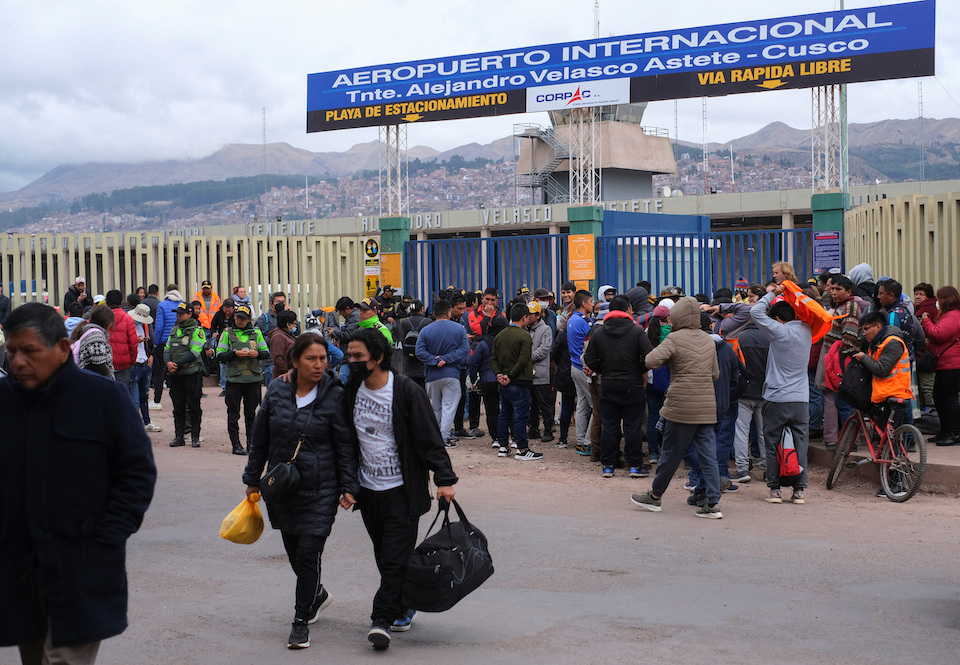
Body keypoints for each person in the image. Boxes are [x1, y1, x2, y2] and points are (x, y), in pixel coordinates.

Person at [1, 303, 156, 665]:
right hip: (20, 567)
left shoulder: (104, 398)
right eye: (11, 352)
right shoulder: (4, 402)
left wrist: (107, 534)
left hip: (82, 565)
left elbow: (136, 473)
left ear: (60, 348)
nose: (18, 362)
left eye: (29, 351)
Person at [341, 328, 457, 650]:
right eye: (348, 355)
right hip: (368, 491)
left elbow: (429, 438)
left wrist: (444, 478)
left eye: (357, 357)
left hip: (401, 491)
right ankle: (405, 603)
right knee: (386, 555)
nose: (350, 361)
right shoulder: (351, 389)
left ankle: (381, 620)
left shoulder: (405, 391)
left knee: (393, 558)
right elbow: (344, 438)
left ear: (377, 358)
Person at [243, 332, 359, 650]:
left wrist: (349, 485)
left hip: (321, 488)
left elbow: (346, 443)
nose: (319, 364)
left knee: (308, 554)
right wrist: (252, 478)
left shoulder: (336, 393)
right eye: (311, 358)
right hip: (282, 486)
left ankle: (300, 621)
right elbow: (260, 438)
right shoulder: (277, 390)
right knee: (295, 553)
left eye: (323, 358)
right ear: (295, 361)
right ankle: (317, 595)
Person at [630, 296, 722, 519]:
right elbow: (715, 374)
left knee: (670, 455)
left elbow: (650, 361)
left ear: (677, 316)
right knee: (708, 455)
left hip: (680, 406)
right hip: (706, 407)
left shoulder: (674, 339)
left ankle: (654, 497)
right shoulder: (708, 340)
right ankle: (712, 502)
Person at [751, 286, 812, 505]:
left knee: (772, 443)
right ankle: (799, 491)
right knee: (800, 443)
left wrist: (771, 292)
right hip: (801, 398)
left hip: (776, 398)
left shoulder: (779, 331)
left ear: (777, 319)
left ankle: (775, 490)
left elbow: (755, 312)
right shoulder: (807, 329)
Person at [583, 295, 653, 478]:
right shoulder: (637, 331)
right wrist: (639, 369)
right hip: (633, 385)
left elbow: (589, 359)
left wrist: (603, 369)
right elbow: (650, 357)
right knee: (632, 427)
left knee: (609, 426)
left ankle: (608, 465)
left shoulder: (599, 332)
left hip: (608, 384)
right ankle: (635, 466)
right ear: (628, 309)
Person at [491, 302, 543, 460]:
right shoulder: (524, 336)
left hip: (503, 383)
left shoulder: (500, 335)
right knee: (520, 416)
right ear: (524, 317)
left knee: (504, 414)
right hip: (519, 382)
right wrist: (511, 376)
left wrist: (499, 374)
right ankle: (522, 449)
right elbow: (523, 360)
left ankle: (502, 446)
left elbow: (493, 357)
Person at [415, 298, 469, 447]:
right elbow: (464, 350)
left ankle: (435, 436)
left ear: (434, 313)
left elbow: (419, 352)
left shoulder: (426, 330)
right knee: (449, 407)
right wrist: (446, 359)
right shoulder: (458, 328)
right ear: (448, 312)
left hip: (432, 375)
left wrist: (434, 360)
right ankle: (444, 437)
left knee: (436, 407)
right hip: (451, 374)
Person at [217, 304, 269, 455]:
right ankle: (236, 445)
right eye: (238, 317)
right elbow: (219, 355)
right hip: (234, 381)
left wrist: (257, 354)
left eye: (243, 318)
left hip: (252, 380)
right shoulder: (227, 333)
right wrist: (234, 354)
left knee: (251, 414)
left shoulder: (256, 333)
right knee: (233, 414)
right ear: (234, 317)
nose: (240, 320)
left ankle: (251, 444)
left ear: (249, 319)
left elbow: (266, 352)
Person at [853, 312, 912, 431]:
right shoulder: (876, 342)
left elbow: (882, 370)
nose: (864, 333)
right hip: (883, 393)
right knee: (883, 435)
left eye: (866, 329)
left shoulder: (892, 342)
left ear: (878, 327)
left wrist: (864, 358)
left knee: (887, 438)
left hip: (894, 393)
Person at [920, 286, 960, 445]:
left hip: (951, 365)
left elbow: (938, 333)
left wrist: (926, 321)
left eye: (939, 298)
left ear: (945, 299)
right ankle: (945, 431)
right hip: (945, 364)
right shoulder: (949, 316)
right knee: (940, 398)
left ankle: (955, 433)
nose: (936, 302)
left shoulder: (953, 316)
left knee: (949, 400)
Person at [164, 301, 206, 448]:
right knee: (178, 406)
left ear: (189, 314)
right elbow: (167, 349)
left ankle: (195, 436)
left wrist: (176, 364)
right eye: (178, 313)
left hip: (192, 373)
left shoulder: (197, 330)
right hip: (176, 374)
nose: (179, 316)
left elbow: (194, 352)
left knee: (194, 406)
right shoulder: (174, 329)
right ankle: (179, 437)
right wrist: (168, 363)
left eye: (182, 313)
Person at [567, 290, 594, 456]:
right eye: (590, 301)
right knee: (597, 407)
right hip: (584, 368)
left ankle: (581, 442)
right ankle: (588, 442)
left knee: (583, 406)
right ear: (584, 303)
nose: (592, 303)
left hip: (574, 367)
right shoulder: (585, 321)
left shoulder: (572, 319)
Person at [129, 303, 162, 433]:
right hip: (134, 363)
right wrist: (135, 340)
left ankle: (146, 421)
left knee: (144, 396)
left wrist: (150, 355)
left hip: (144, 361)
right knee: (135, 398)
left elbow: (150, 341)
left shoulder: (144, 325)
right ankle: (134, 424)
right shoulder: (129, 324)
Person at [151, 284, 184, 409]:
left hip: (164, 341)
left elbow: (159, 327)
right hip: (180, 342)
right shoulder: (182, 304)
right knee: (177, 370)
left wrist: (156, 343)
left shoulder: (162, 305)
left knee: (159, 372)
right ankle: (179, 400)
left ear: (166, 292)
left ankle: (157, 400)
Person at [527, 300, 555, 443]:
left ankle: (548, 430)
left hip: (541, 373)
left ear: (538, 315)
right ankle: (533, 429)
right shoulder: (526, 328)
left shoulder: (545, 329)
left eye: (530, 314)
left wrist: (527, 358)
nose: (528, 317)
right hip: (528, 373)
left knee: (544, 403)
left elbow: (545, 349)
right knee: (532, 404)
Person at [106, 290, 139, 390]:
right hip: (123, 363)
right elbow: (133, 343)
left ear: (107, 302)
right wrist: (131, 360)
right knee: (122, 394)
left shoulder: (101, 318)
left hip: (105, 363)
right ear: (121, 303)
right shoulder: (128, 319)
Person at [71, 305, 116, 378]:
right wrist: (110, 380)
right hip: (94, 381)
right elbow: (98, 361)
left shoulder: (89, 331)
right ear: (107, 322)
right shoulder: (96, 335)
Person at [256, 291, 289, 386]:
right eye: (278, 302)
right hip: (271, 361)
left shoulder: (287, 316)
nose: (281, 304)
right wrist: (277, 340)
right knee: (273, 389)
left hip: (287, 361)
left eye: (283, 302)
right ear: (271, 304)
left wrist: (289, 313)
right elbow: (260, 339)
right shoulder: (264, 319)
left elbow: (296, 331)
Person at [397, 299, 428, 389]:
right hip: (423, 363)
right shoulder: (427, 322)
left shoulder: (405, 322)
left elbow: (402, 340)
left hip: (409, 362)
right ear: (421, 309)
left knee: (410, 391)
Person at [211, 297, 237, 394]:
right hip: (222, 341)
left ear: (233, 309)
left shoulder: (236, 315)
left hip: (234, 341)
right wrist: (214, 332)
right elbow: (213, 326)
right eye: (225, 310)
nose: (227, 313)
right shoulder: (219, 314)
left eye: (229, 311)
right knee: (222, 365)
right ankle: (224, 387)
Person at [269, 309, 299, 377]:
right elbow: (278, 358)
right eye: (295, 324)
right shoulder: (278, 337)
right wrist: (287, 372)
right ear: (288, 324)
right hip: (283, 376)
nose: (296, 326)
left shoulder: (288, 335)